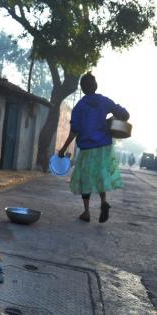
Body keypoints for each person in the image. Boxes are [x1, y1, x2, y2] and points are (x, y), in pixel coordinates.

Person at [59, 72, 130, 223]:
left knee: (86, 179)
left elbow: (74, 130)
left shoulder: (80, 106)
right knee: (100, 175)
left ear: (83, 89)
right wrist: (115, 118)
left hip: (87, 147)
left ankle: (86, 212)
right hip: (104, 146)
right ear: (95, 86)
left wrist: (63, 148)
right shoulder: (104, 101)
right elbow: (124, 113)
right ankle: (104, 202)